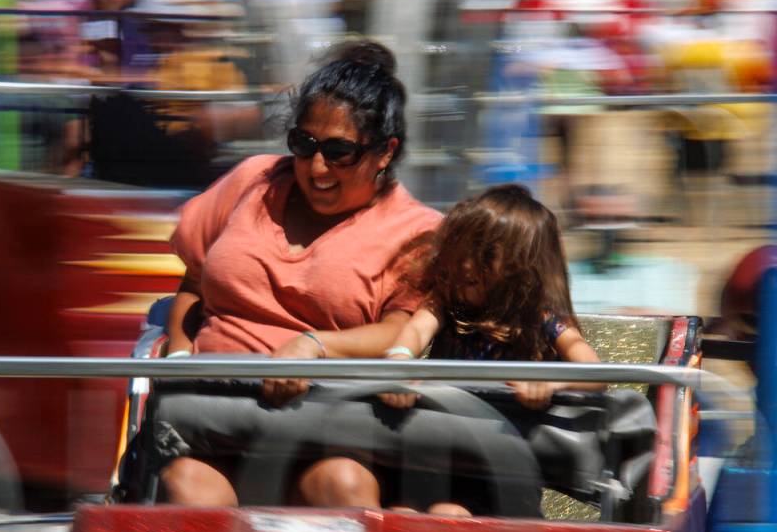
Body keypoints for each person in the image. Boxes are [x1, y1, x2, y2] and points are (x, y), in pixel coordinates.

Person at [157, 40, 442, 507]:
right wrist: (178, 358)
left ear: (386, 152)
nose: (316, 166)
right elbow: (193, 282)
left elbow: (400, 331)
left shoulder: (417, 229)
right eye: (303, 144)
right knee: (186, 488)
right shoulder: (253, 180)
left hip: (325, 434)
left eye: (339, 151)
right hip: (211, 419)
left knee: (344, 486)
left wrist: (314, 348)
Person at [379, 184, 604, 411]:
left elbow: (594, 374)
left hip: (511, 428)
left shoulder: (540, 316)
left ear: (521, 270)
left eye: (484, 258)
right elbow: (416, 331)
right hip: (451, 419)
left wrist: (550, 384)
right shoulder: (446, 301)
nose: (466, 266)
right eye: (461, 254)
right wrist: (400, 361)